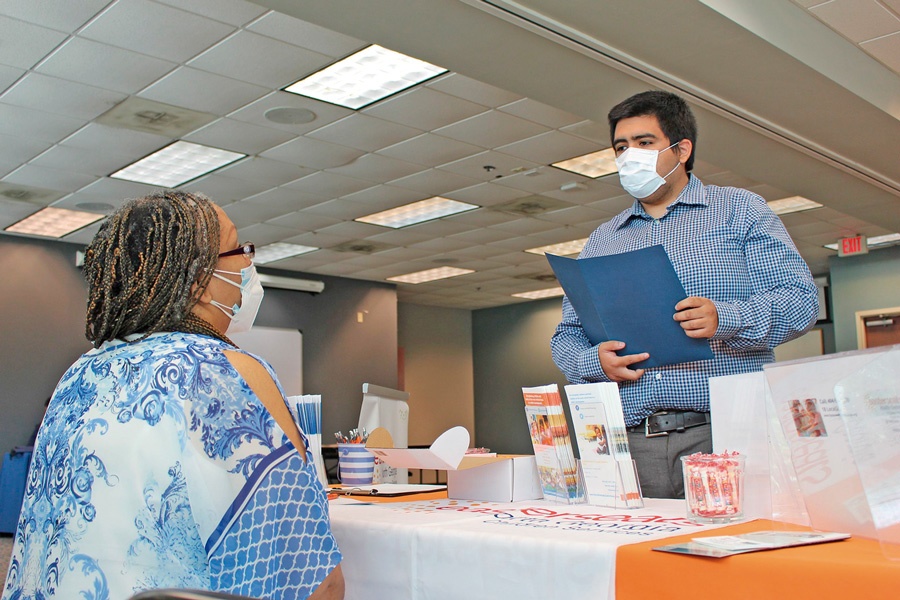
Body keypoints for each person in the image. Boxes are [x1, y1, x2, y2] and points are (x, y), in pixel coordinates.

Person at [2, 191, 344, 600]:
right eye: (239, 249)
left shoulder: (78, 375)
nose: (248, 262)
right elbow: (313, 578)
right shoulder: (222, 374)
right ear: (199, 279)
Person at [551, 91, 818, 499]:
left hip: (725, 433)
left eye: (644, 143)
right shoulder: (603, 240)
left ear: (681, 149)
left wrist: (725, 319)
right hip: (632, 443)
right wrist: (595, 361)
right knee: (642, 559)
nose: (629, 156)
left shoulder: (740, 211)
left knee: (733, 551)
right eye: (621, 147)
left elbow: (801, 301)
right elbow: (566, 336)